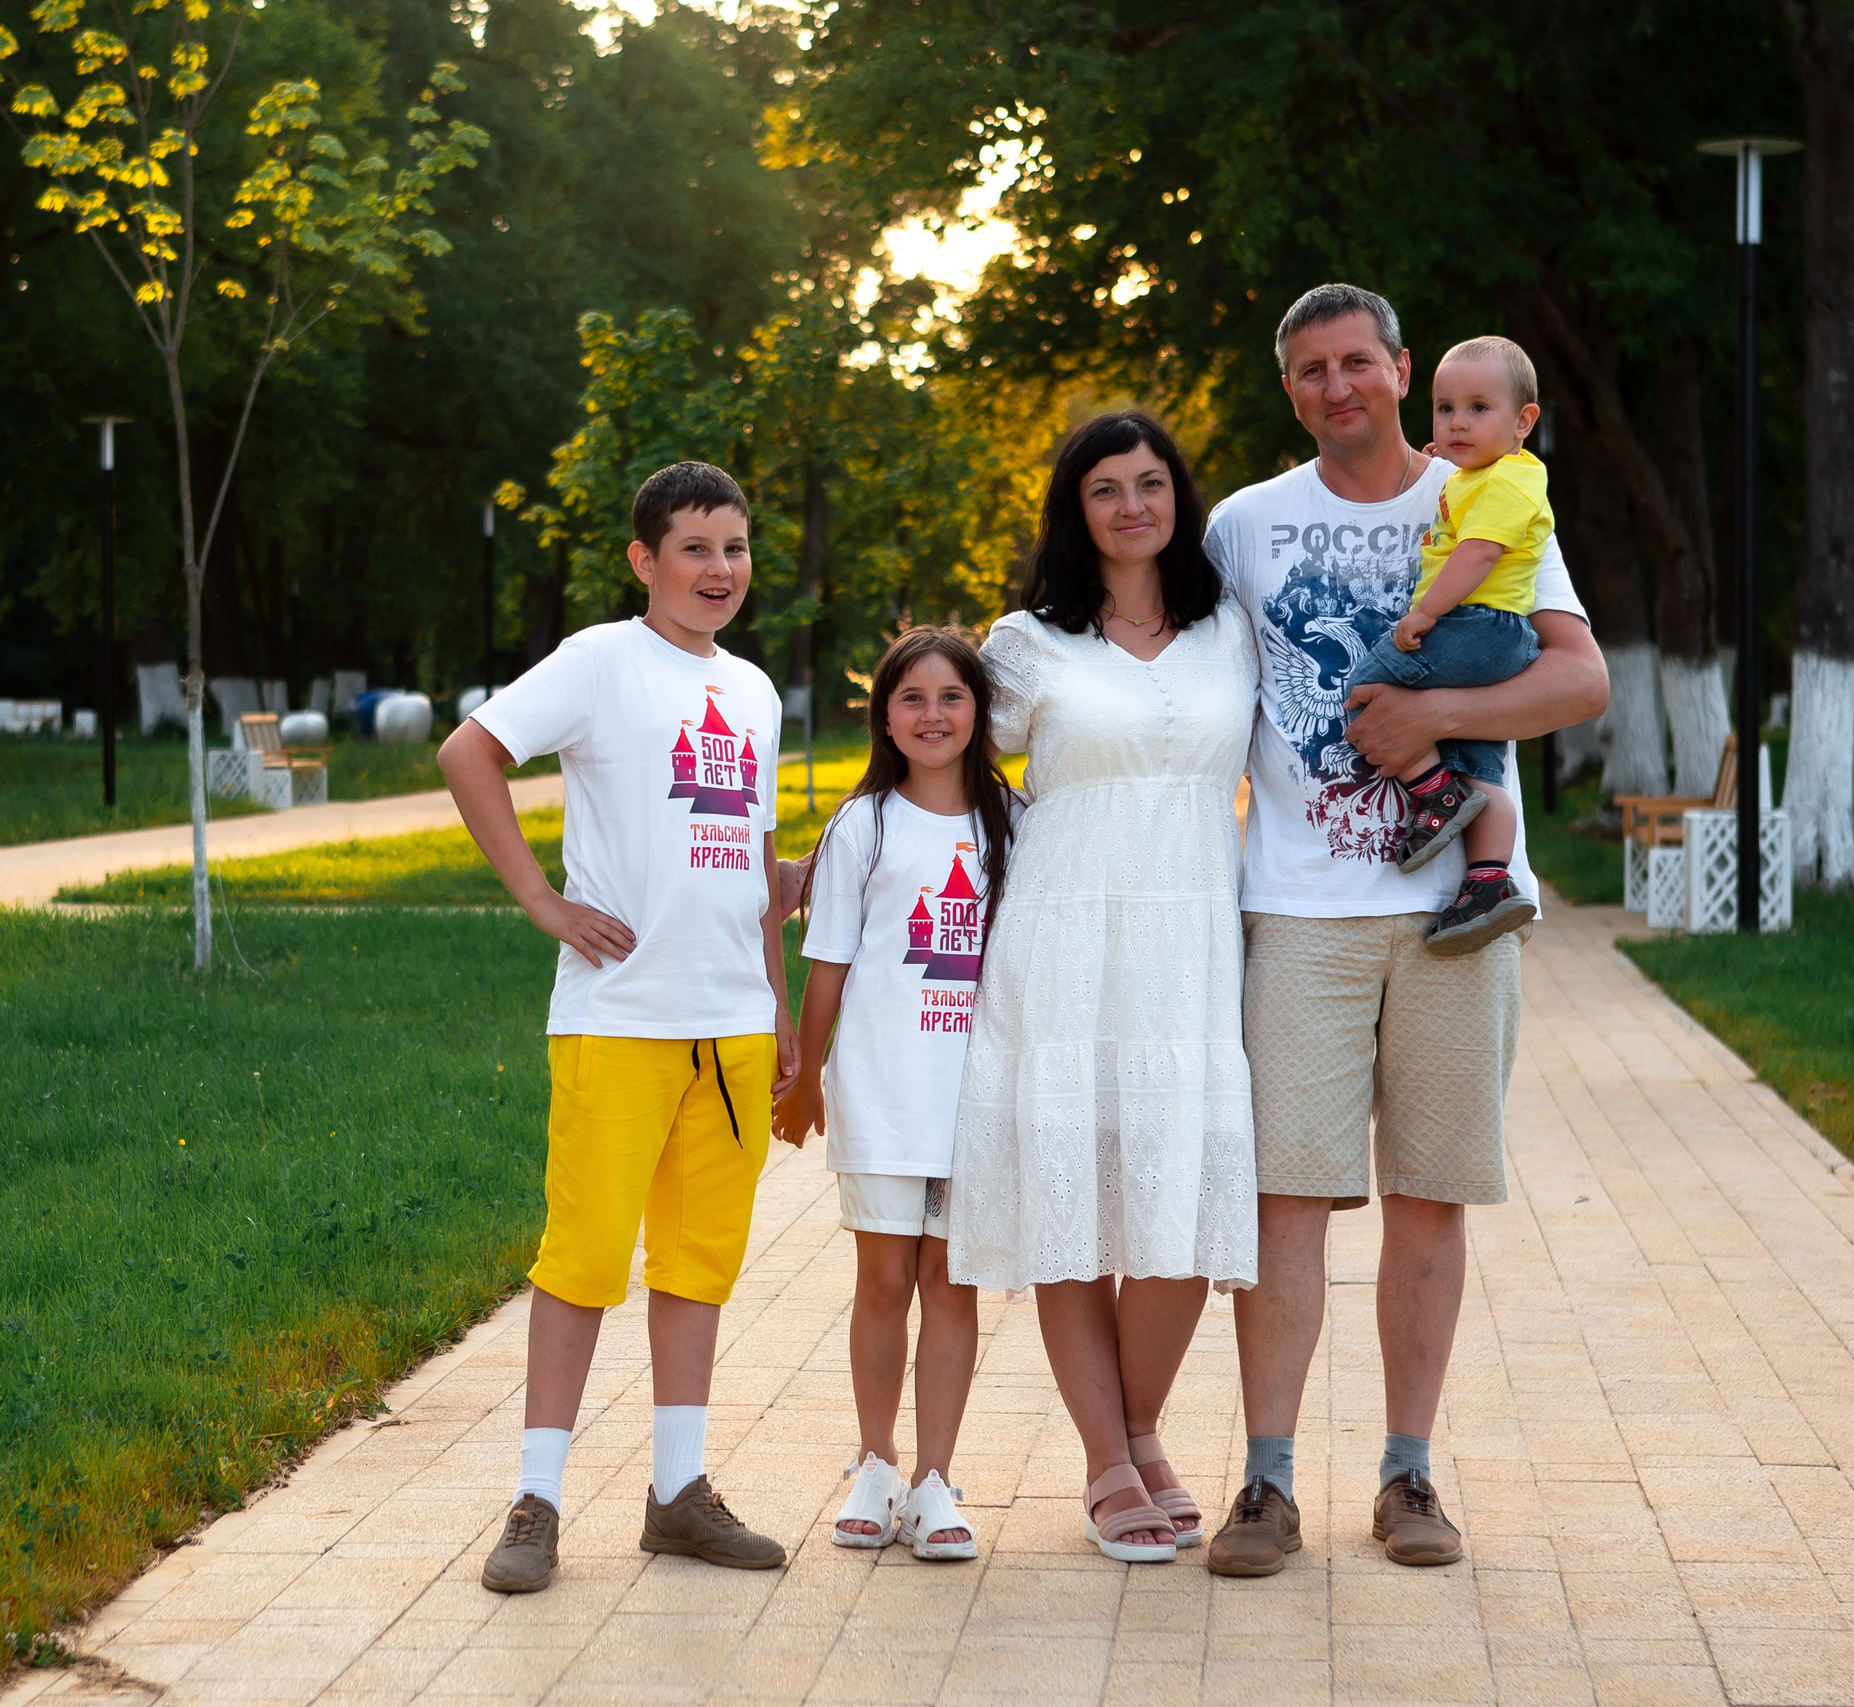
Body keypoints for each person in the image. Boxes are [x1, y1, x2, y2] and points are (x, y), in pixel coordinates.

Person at [1203, 284, 1608, 1577]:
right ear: (1292, 387)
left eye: (1358, 364)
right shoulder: (1244, 526)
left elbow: (1581, 674)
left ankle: (1408, 1468)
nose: (1338, 388)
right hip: (1300, 907)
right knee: (1283, 1204)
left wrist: (1432, 723)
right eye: (1312, 370)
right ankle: (1265, 1482)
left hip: (1452, 908)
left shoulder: (1483, 488)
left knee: (1431, 1195)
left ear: (1401, 368)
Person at [438, 460, 800, 1595]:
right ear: (644, 560)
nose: (717, 569)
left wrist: (781, 1001)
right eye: (692, 548)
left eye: (733, 548)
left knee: (696, 1268)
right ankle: (537, 1499)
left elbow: (745, 865)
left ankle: (677, 1494)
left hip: (730, 1025)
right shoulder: (601, 660)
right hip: (619, 1022)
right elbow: (469, 752)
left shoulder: (753, 692)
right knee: (583, 1264)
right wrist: (543, 901)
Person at [945, 410, 1260, 1564]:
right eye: (1105, 490)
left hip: (1190, 941)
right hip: (1064, 937)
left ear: (1178, 494)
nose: (1133, 505)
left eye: (1150, 482)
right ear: (1073, 512)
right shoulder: (1026, 643)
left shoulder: (1232, 631)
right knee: (1073, 1201)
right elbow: (950, 767)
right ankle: (1108, 1460)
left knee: (1174, 1202)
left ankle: (1139, 1428)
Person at [775, 627, 1022, 1564]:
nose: (932, 714)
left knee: (949, 1282)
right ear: (885, 715)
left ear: (979, 711)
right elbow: (829, 962)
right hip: (884, 1094)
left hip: (979, 1100)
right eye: (911, 698)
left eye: (951, 696)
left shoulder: (1011, 819)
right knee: (883, 1280)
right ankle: (875, 1463)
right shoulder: (863, 824)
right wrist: (806, 1075)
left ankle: (934, 1480)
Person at [1339, 334, 1553, 954]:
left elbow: (1477, 554)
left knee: (1367, 688)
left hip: (1478, 625)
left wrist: (1424, 615)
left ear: (1523, 421)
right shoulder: (1488, 476)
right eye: (1445, 409)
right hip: (1495, 638)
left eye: (1478, 410)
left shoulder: (1509, 483)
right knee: (1484, 765)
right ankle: (1487, 884)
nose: (1458, 423)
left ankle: (1434, 796)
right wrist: (1454, 463)